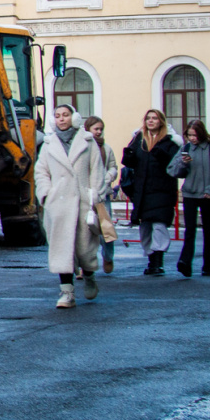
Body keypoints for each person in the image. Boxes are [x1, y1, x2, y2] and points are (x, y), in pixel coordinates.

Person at [34, 103, 105, 308]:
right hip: (59, 205)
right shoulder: (48, 144)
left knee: (85, 249)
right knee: (61, 249)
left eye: (65, 115)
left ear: (74, 118)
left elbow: (96, 170)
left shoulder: (87, 141)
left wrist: (94, 196)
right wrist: (46, 195)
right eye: (57, 116)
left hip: (84, 202)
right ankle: (67, 293)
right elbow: (41, 172)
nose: (61, 119)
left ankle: (89, 276)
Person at [122, 109, 179, 275]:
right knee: (145, 226)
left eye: (154, 118)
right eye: (148, 118)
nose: (151, 121)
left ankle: (158, 261)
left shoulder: (169, 142)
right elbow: (129, 163)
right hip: (142, 190)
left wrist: (162, 155)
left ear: (161, 121)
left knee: (159, 224)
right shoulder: (139, 140)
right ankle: (150, 257)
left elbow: (174, 164)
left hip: (162, 190)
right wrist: (128, 154)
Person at [169, 119, 210, 277]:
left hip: (207, 195)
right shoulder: (185, 149)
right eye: (189, 135)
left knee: (208, 230)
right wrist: (183, 163)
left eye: (194, 135)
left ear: (201, 134)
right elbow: (173, 171)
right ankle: (185, 263)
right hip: (189, 194)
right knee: (189, 230)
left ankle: (209, 266)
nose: (192, 138)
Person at [84, 116, 120, 273]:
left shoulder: (106, 148)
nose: (98, 132)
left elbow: (113, 166)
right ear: (88, 130)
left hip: (102, 194)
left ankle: (108, 257)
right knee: (83, 231)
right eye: (95, 129)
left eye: (100, 129)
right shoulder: (82, 147)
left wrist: (110, 175)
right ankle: (83, 265)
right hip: (85, 194)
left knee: (107, 230)